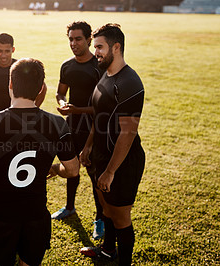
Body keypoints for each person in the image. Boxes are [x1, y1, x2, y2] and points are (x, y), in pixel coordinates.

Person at [0, 58, 80, 266]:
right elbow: (73, 170)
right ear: (40, 89)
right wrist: (55, 168)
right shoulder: (57, 124)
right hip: (35, 216)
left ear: (10, 84)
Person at [79, 24, 145, 265]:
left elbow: (128, 133)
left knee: (120, 217)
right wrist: (88, 146)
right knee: (106, 209)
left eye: (99, 47)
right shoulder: (105, 75)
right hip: (100, 155)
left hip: (122, 162)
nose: (95, 51)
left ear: (116, 47)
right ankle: (108, 251)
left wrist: (110, 171)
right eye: (95, 46)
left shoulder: (130, 82)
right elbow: (100, 116)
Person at [51, 21, 105, 240]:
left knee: (94, 175)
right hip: (72, 126)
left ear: (89, 39)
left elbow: (104, 106)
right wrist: (63, 103)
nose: (73, 43)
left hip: (94, 128)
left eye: (78, 39)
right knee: (71, 168)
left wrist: (77, 109)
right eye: (70, 39)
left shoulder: (99, 67)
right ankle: (70, 206)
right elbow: (60, 92)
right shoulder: (67, 66)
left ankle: (100, 219)